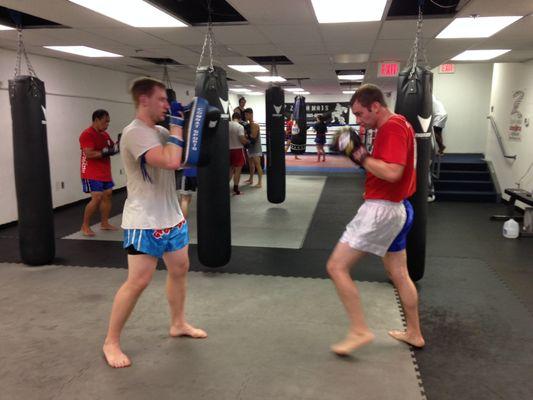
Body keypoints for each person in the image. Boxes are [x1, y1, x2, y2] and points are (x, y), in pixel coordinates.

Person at [102, 77, 206, 369]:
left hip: (172, 217)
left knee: (180, 269)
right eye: (161, 99)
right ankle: (111, 341)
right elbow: (171, 160)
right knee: (138, 282)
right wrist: (177, 124)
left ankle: (178, 323)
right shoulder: (134, 134)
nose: (166, 104)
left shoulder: (160, 130)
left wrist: (196, 129)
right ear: (143, 100)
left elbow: (184, 159)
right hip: (144, 222)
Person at [327, 84, 425, 356]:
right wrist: (368, 170)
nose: (358, 120)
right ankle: (415, 333)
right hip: (399, 208)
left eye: (360, 114)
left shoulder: (391, 128)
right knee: (400, 274)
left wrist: (359, 156)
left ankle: (359, 330)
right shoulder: (402, 123)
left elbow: (393, 172)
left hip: (381, 212)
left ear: (376, 107)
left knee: (336, 267)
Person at [79, 109, 119, 236]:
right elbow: (89, 153)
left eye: (108, 122)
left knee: (107, 194)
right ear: (96, 119)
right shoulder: (87, 134)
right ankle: (84, 226)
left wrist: (119, 144)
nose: (107, 124)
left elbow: (112, 148)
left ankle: (104, 223)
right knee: (97, 198)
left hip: (104, 171)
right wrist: (105, 152)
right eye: (105, 122)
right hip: (91, 172)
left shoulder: (105, 135)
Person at [243, 108, 263, 188]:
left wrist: (246, 135)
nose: (245, 116)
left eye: (247, 114)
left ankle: (260, 182)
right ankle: (251, 179)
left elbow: (253, 137)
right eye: (245, 114)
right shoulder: (248, 124)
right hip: (250, 147)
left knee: (257, 164)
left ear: (251, 114)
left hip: (256, 147)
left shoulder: (254, 124)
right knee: (251, 164)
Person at [229, 112, 248, 195]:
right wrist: (248, 141)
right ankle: (236, 189)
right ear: (239, 119)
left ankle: (224, 187)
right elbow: (242, 139)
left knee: (230, 169)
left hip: (228, 149)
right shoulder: (240, 126)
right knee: (238, 170)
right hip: (238, 149)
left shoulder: (226, 125)